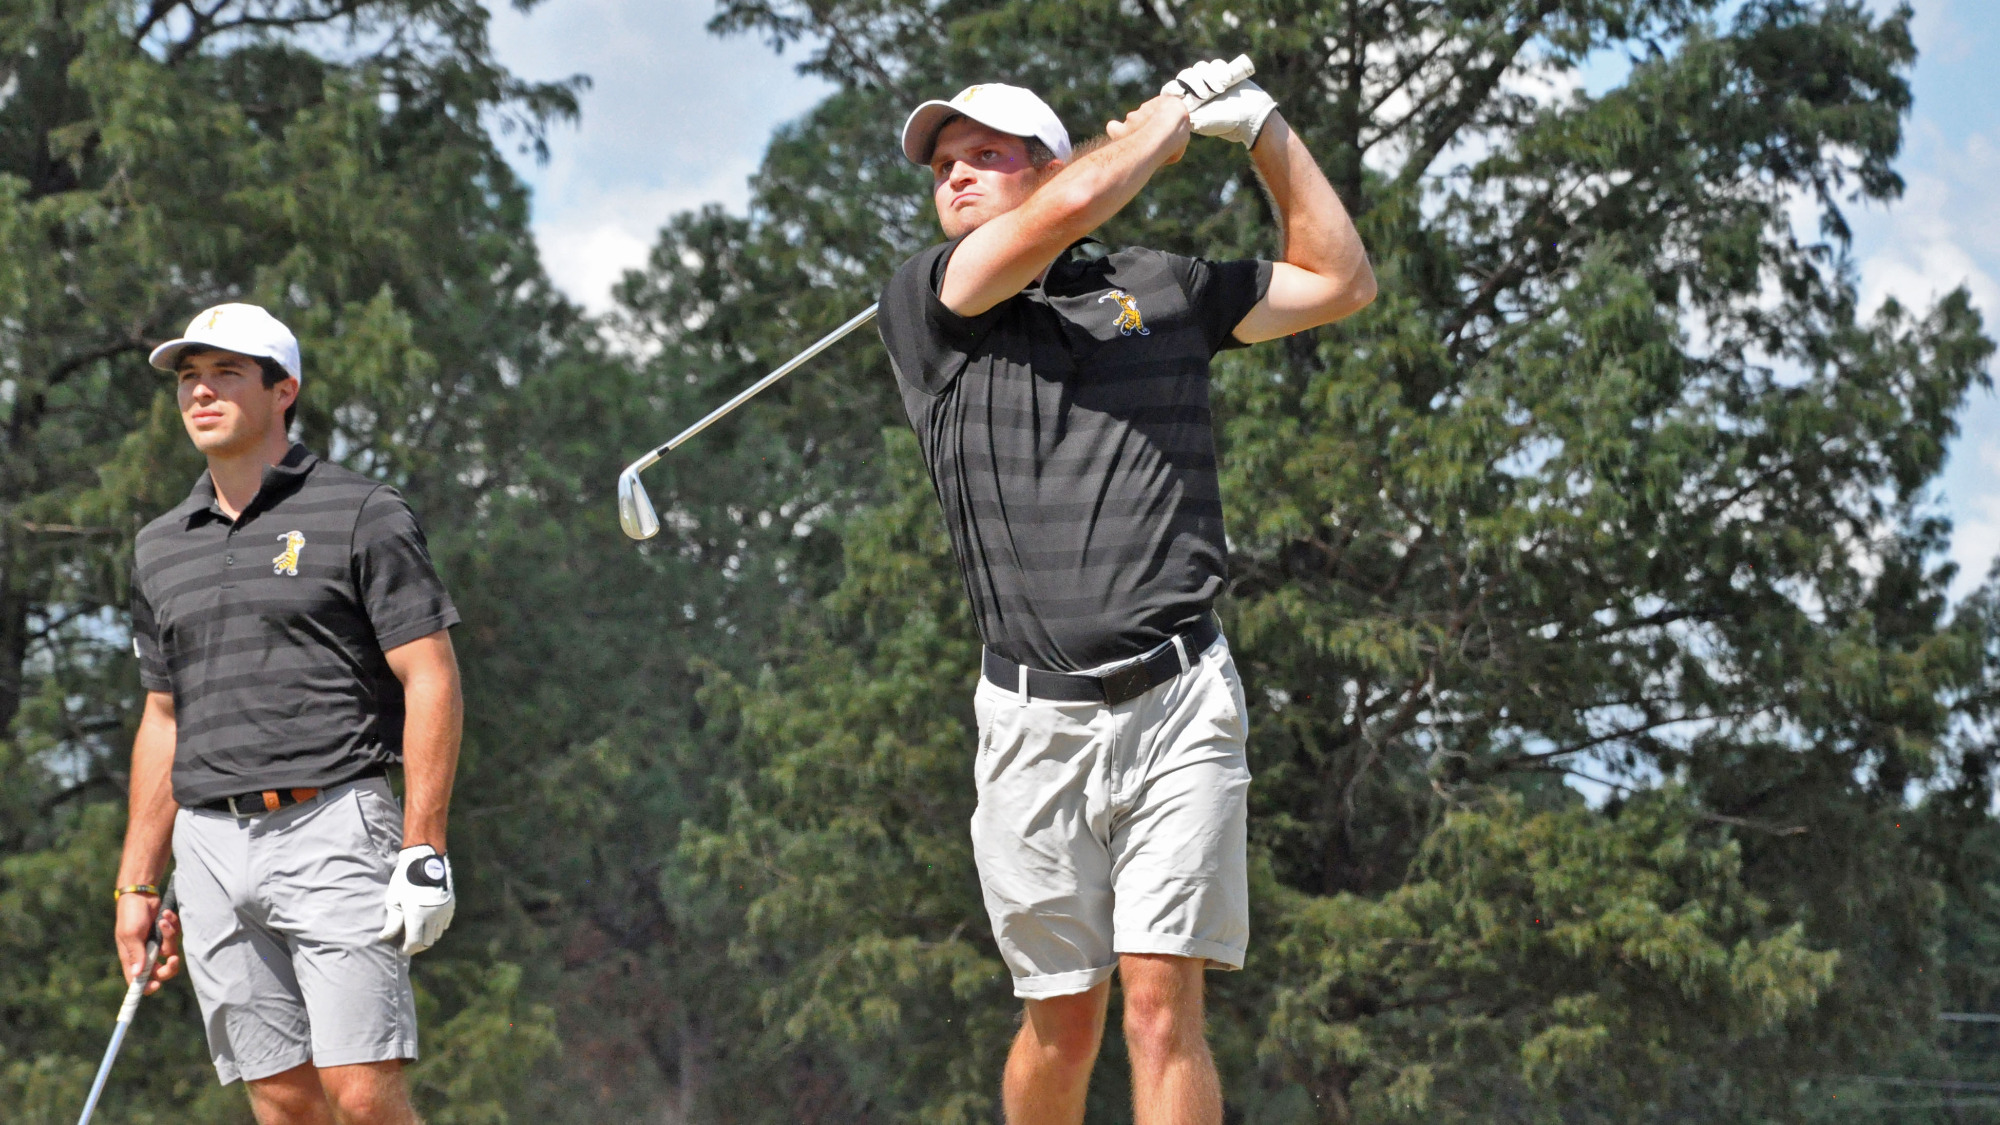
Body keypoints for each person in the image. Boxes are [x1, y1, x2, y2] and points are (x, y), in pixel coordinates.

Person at [876, 60, 1375, 1123]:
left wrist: (1264, 135)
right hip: (1028, 719)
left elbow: (1338, 281)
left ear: (1046, 160)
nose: (956, 179)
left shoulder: (1159, 286)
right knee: (1063, 1022)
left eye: (986, 158)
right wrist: (1164, 121)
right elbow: (1072, 206)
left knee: (1159, 1005)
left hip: (1177, 698)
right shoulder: (933, 301)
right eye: (944, 167)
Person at [111, 302, 464, 1124]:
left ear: (284, 390)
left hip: (334, 820)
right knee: (281, 1098)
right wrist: (138, 880)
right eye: (188, 378)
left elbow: (432, 677)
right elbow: (164, 717)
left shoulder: (361, 511)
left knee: (363, 1092)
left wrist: (425, 846)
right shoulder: (160, 545)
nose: (200, 392)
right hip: (206, 845)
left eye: (226, 373)